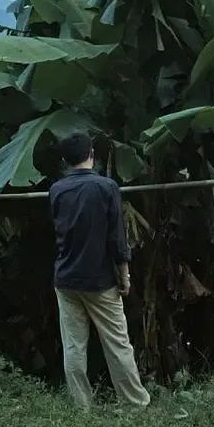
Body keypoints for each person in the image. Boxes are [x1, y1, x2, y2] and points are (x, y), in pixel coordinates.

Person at [49, 132, 151, 409]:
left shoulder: (57, 190)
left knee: (73, 346)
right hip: (99, 280)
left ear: (65, 161)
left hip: (65, 279)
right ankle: (134, 403)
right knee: (117, 344)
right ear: (91, 155)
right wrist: (125, 275)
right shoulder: (106, 187)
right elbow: (117, 238)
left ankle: (82, 406)